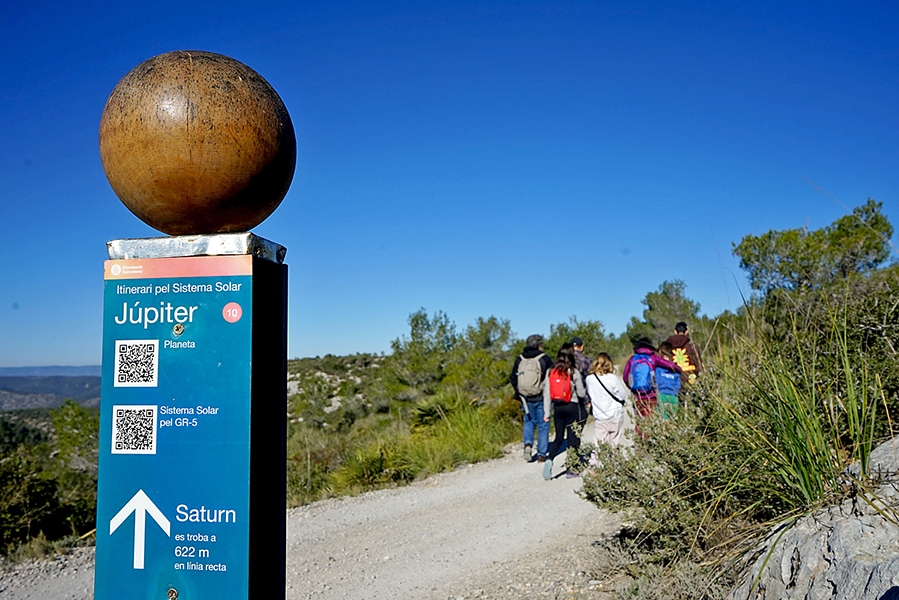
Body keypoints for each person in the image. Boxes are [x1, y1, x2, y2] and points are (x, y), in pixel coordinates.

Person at [542, 344, 587, 480]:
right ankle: (571, 470)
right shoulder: (573, 372)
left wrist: (546, 413)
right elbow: (580, 393)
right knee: (573, 438)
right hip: (572, 407)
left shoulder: (550, 372)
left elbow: (547, 393)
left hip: (558, 408)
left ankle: (549, 459)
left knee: (559, 437)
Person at [622, 338, 681, 433]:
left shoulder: (632, 359)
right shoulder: (653, 358)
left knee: (639, 421)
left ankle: (640, 444)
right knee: (650, 421)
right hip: (651, 396)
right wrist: (679, 369)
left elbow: (625, 376)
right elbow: (668, 365)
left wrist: (632, 388)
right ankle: (649, 443)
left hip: (637, 397)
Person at [509, 334, 553, 462]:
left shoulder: (520, 359)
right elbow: (551, 377)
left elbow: (512, 377)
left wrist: (519, 392)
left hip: (525, 398)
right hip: (541, 396)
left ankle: (528, 443)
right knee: (543, 425)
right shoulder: (544, 358)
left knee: (529, 421)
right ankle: (541, 454)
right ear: (539, 345)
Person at [585, 353, 628, 449]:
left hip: (600, 417)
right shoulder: (612, 378)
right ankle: (613, 461)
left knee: (598, 446)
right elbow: (622, 395)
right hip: (615, 415)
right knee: (614, 444)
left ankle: (594, 463)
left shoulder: (589, 379)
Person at [655, 341, 682, 419]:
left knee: (663, 419)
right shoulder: (675, 369)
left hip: (662, 395)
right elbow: (678, 385)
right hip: (674, 396)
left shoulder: (658, 368)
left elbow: (656, 381)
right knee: (672, 419)